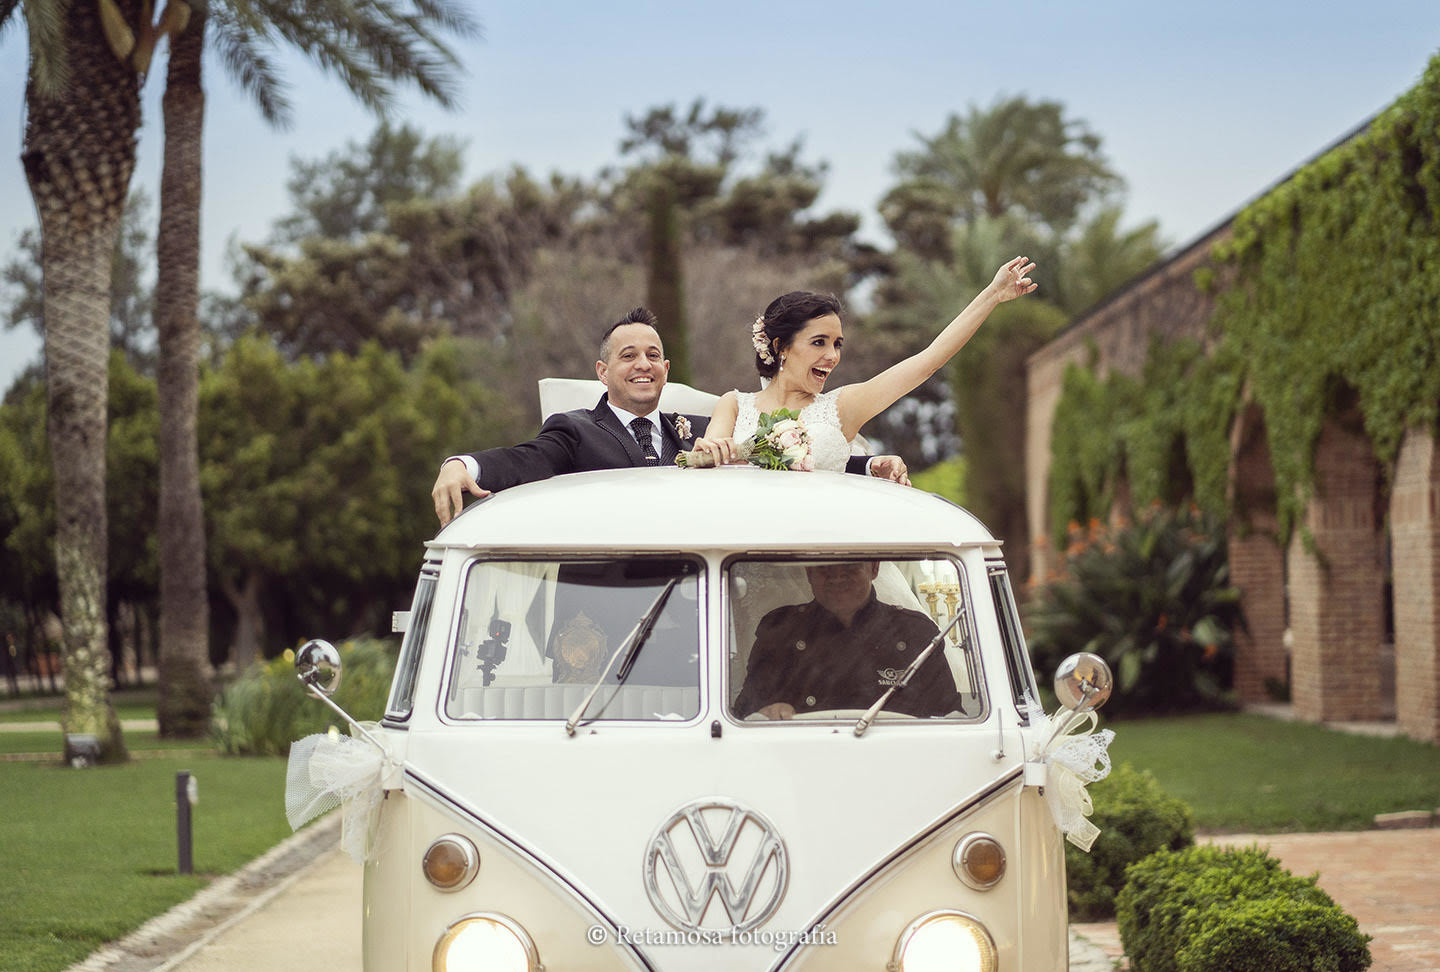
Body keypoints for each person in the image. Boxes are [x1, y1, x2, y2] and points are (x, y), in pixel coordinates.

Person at [431, 307, 905, 525]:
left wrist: (866, 465)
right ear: (603, 371)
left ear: (666, 369)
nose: (643, 365)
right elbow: (525, 460)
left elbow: (774, 454)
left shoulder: (703, 432)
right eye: (628, 356)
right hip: (601, 607)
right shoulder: (573, 431)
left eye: (654, 355)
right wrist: (465, 465)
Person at [689, 257, 1038, 472]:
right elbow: (705, 464)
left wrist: (992, 295)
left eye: (837, 344)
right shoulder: (733, 404)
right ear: (781, 346)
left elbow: (926, 362)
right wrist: (710, 451)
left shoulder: (844, 406)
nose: (832, 356)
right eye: (818, 342)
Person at [733, 561, 961, 720]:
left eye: (850, 566)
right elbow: (744, 712)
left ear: (874, 568)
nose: (837, 576)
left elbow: (951, 716)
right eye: (824, 568)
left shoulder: (915, 633)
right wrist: (766, 712)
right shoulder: (780, 631)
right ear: (809, 573)